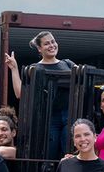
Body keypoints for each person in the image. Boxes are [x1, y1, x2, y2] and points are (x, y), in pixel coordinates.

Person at [5, 31, 76, 159]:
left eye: (53, 42)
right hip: (49, 118)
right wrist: (14, 68)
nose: (51, 45)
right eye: (47, 43)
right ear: (39, 48)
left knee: (69, 150)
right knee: (50, 154)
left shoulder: (68, 64)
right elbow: (20, 94)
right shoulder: (35, 69)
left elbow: (83, 79)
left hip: (69, 115)